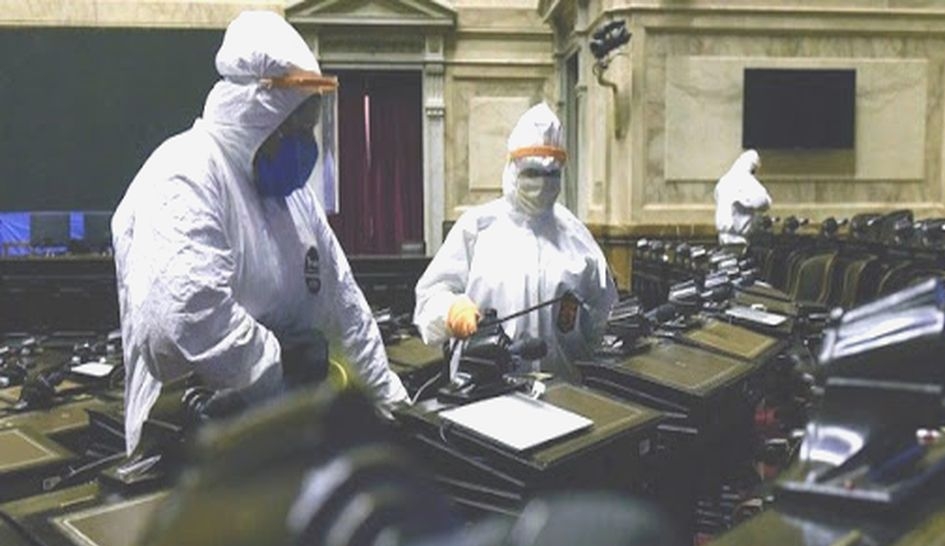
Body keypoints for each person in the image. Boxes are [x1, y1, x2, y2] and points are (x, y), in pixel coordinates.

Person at [112, 11, 408, 454]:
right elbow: (183, 322)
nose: (306, 144)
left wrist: (393, 409)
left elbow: (345, 310)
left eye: (310, 128)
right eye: (296, 127)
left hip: (281, 438)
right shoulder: (186, 174)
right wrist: (282, 368)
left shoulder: (297, 200)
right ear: (257, 113)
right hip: (188, 452)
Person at [413, 102, 618, 382]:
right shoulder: (477, 228)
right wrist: (451, 310)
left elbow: (604, 318)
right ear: (512, 168)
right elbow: (429, 298)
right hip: (483, 390)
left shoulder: (577, 237)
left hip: (562, 392)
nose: (542, 183)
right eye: (532, 173)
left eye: (552, 174)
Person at [714, 149, 772, 246]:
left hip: (723, 235)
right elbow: (763, 201)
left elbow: (716, 196)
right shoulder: (746, 180)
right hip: (738, 237)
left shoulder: (724, 180)